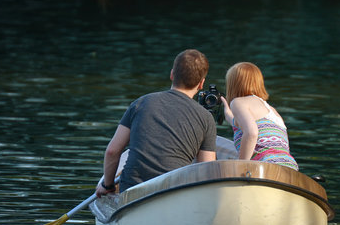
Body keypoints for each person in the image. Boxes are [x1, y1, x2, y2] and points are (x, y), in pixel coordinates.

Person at [96, 49, 217, 197]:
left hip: (132, 189)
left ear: (172, 74)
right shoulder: (206, 118)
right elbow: (205, 169)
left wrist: (107, 185)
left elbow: (112, 151)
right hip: (174, 191)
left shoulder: (141, 103)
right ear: (201, 83)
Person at [220, 62, 299, 171]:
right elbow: (241, 124)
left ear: (233, 84)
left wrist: (240, 167)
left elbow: (251, 133)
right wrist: (227, 112)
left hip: (266, 165)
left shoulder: (238, 102)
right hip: (290, 167)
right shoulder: (272, 111)